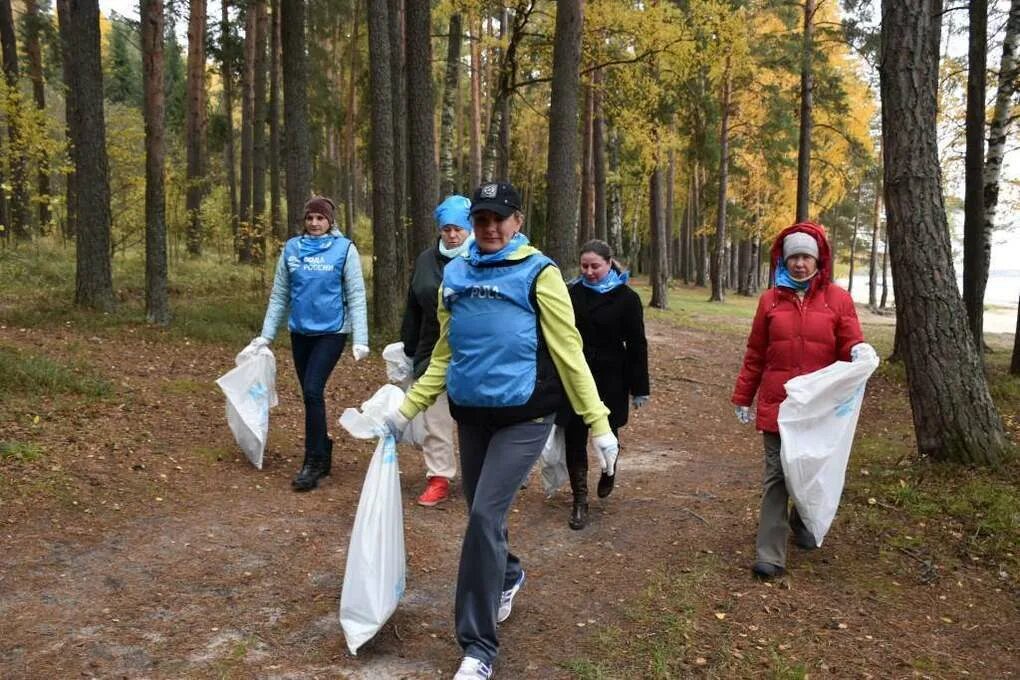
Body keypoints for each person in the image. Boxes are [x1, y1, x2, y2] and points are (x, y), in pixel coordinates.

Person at [384, 182, 618, 680]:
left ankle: (478, 648)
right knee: (479, 512)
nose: (490, 227)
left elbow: (568, 351)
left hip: (526, 415)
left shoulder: (540, 272)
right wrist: (408, 408)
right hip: (471, 412)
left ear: (517, 221)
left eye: (500, 218)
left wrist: (599, 424)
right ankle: (509, 573)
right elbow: (445, 353)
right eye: (482, 219)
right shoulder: (459, 273)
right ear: (473, 222)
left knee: (483, 517)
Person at [731, 221, 876, 580]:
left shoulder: (837, 299)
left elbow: (848, 342)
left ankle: (803, 519)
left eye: (806, 257)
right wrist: (743, 396)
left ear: (817, 261)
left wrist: (858, 351)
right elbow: (755, 353)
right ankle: (770, 554)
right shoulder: (769, 300)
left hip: (818, 408)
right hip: (778, 406)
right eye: (793, 256)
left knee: (808, 471)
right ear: (784, 259)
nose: (799, 264)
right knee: (777, 477)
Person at [244, 196, 369, 492]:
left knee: (313, 391)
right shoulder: (292, 249)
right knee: (309, 394)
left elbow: (356, 296)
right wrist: (266, 336)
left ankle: (312, 462)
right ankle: (323, 448)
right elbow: (279, 296)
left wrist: (360, 339)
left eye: (320, 218)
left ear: (330, 221)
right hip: (300, 333)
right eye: (310, 218)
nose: (314, 223)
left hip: (332, 332)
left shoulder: (345, 249)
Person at [563, 239, 649, 530]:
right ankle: (579, 499)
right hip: (575, 375)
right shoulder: (571, 293)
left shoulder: (627, 298)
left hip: (612, 377)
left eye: (595, 266)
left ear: (609, 263)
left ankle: (608, 469)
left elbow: (637, 344)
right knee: (573, 437)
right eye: (584, 266)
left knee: (607, 433)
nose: (588, 271)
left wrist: (640, 387)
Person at [399, 195, 474, 507]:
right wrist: (408, 347)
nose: (452, 235)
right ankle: (439, 476)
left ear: (470, 228)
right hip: (433, 349)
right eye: (446, 229)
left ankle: (484, 474)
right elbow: (413, 306)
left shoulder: (482, 258)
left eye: (458, 228)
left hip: (475, 352)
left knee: (476, 418)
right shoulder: (426, 261)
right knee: (435, 419)